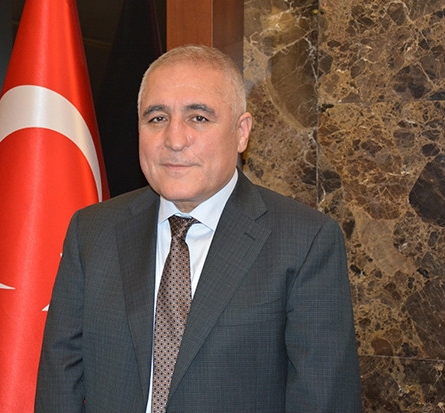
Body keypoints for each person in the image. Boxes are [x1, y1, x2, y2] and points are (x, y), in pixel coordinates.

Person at [35, 45, 361, 412]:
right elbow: (60, 380)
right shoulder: (92, 232)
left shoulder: (305, 242)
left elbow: (323, 399)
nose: (174, 140)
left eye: (199, 118)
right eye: (157, 118)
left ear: (241, 132)